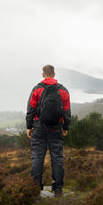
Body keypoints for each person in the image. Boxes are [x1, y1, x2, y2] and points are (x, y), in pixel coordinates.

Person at [26, 65, 71, 196]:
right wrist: (65, 127)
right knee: (57, 158)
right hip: (56, 128)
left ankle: (35, 188)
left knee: (37, 157)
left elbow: (30, 109)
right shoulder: (63, 90)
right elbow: (67, 111)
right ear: (54, 74)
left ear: (43, 74)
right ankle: (57, 189)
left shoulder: (37, 89)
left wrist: (29, 126)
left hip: (39, 127)